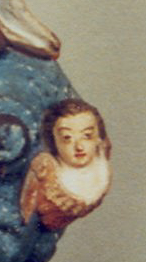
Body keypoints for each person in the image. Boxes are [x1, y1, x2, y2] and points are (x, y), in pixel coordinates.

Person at [19, 98, 112, 231]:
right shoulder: (46, 171)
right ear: (54, 141)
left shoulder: (101, 170)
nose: (79, 146)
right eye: (67, 138)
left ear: (98, 138)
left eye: (87, 135)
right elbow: (28, 212)